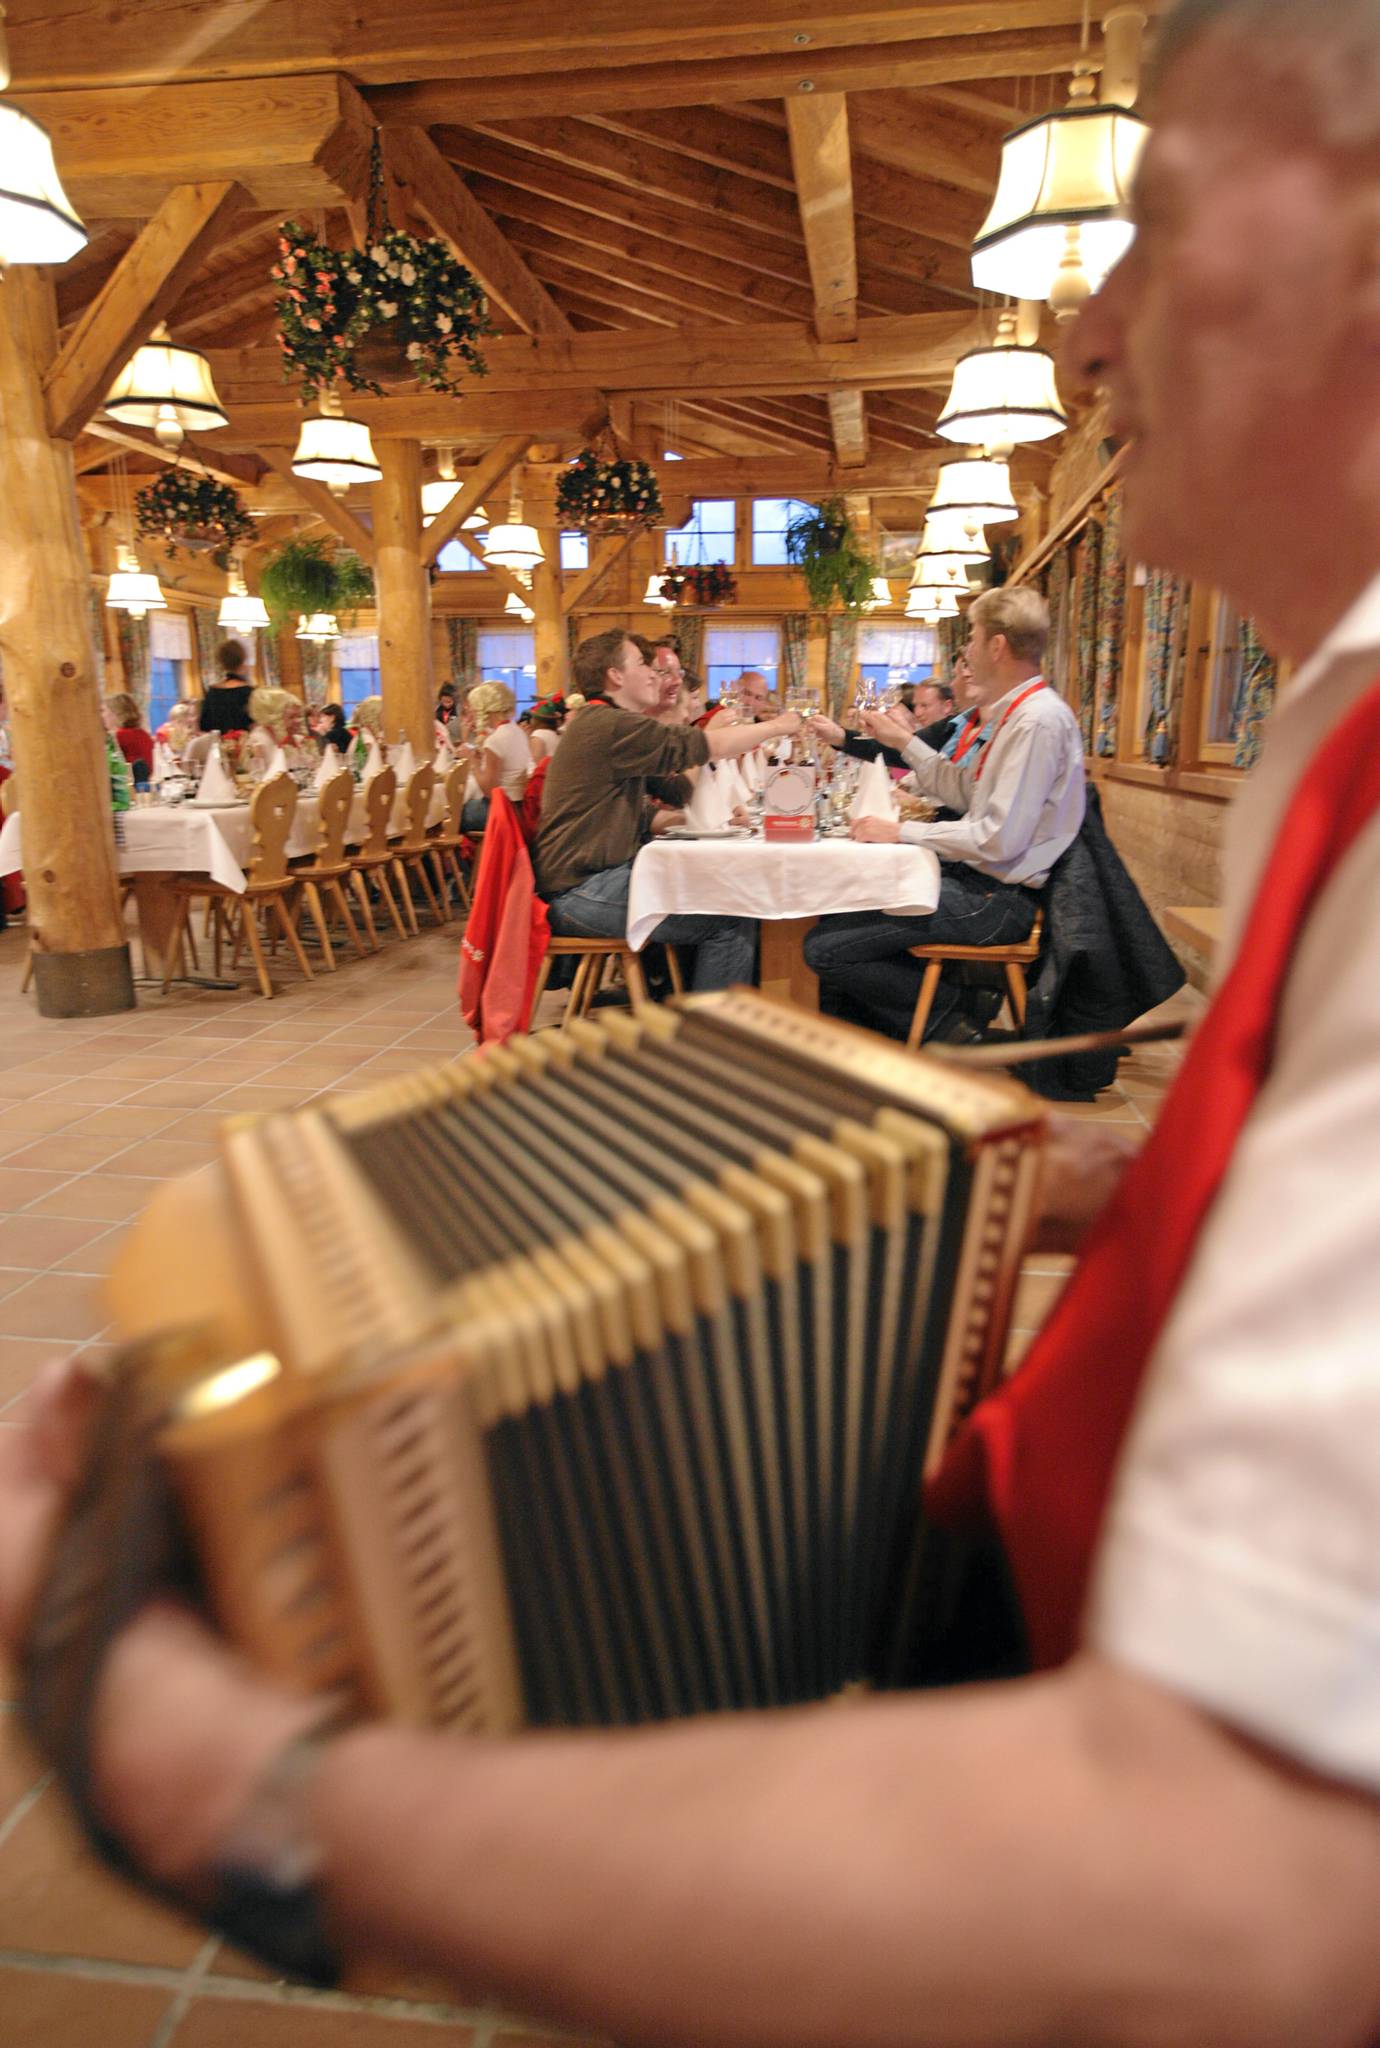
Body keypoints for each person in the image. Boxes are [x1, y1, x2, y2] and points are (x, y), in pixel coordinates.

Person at [8, 6, 1380, 2040]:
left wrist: (212, 1771)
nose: (1090, 341)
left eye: (1156, 226)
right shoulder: (1338, 733)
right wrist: (1124, 1172)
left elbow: (1245, 1896)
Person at [804, 587, 1086, 1043]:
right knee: (835, 912)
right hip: (982, 886)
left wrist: (901, 831)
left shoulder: (1036, 722)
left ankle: (954, 1020)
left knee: (824, 948)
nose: (967, 653)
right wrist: (902, 741)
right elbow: (968, 792)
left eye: (972, 639)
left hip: (996, 901)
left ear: (997, 646)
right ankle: (933, 1017)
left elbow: (997, 839)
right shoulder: (1018, 715)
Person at [534, 628, 800, 991]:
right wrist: (777, 726)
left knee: (730, 900)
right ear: (615, 675)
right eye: (644, 665)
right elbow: (707, 747)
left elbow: (678, 791)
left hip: (597, 879)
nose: (653, 674)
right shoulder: (608, 724)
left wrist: (701, 749)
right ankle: (707, 1039)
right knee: (729, 918)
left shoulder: (606, 723)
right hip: (581, 892)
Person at [460, 680, 531, 833]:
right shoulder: (516, 731)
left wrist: (472, 760)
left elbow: (490, 790)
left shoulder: (495, 739)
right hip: (518, 805)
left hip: (503, 810)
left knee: (454, 814)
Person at [197, 640, 253, 734]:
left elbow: (204, 726)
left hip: (218, 745)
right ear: (243, 660)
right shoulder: (249, 692)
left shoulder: (212, 692)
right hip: (245, 745)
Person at [101, 693, 154, 778]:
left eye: (103, 710)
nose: (101, 716)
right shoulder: (143, 734)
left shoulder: (120, 736)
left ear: (116, 713)